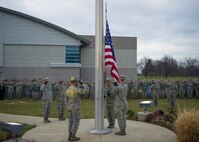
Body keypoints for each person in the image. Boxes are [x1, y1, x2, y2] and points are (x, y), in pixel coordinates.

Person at [66, 77, 89, 141]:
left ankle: (70, 135)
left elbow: (66, 99)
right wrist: (84, 84)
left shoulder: (68, 89)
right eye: (77, 82)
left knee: (70, 121)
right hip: (75, 107)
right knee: (76, 121)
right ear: (75, 82)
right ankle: (73, 136)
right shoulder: (76, 89)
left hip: (69, 106)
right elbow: (86, 91)